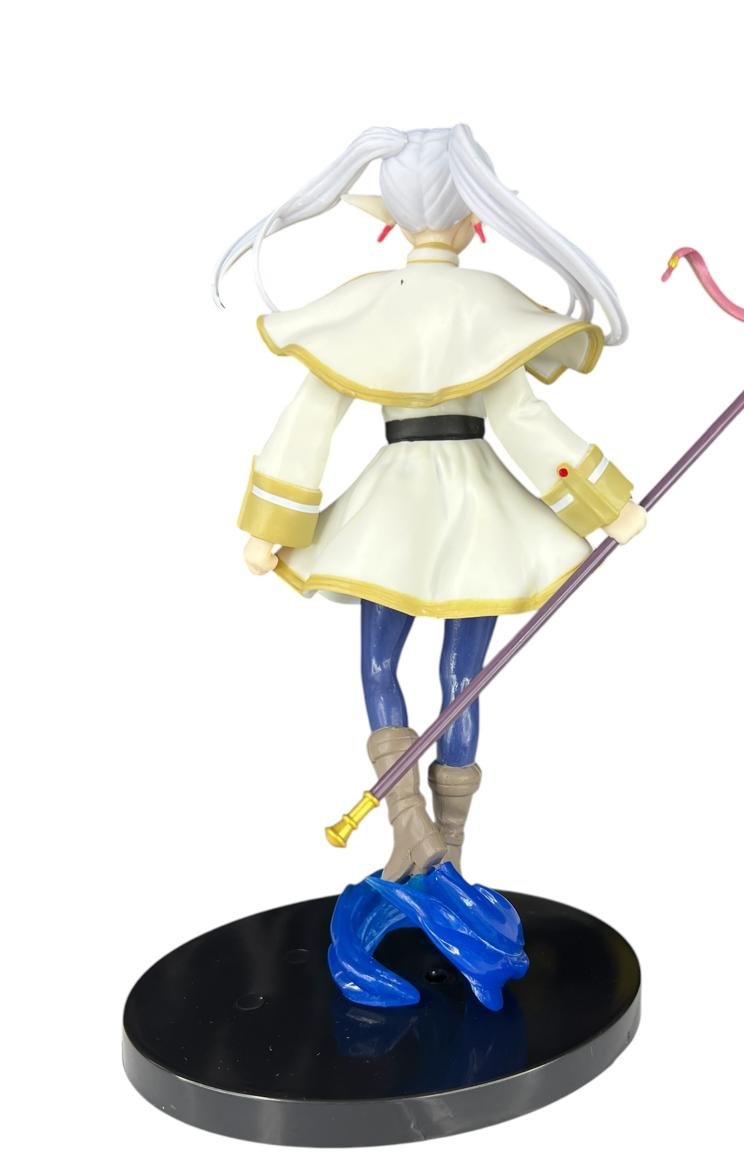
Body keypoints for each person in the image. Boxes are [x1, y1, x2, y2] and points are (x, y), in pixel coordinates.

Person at [215, 124, 645, 888]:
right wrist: (603, 504)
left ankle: (417, 830)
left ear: (390, 219)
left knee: (379, 664)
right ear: (475, 219)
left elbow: (309, 418)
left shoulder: (365, 305)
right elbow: (526, 423)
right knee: (462, 679)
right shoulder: (487, 306)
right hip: (480, 511)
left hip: (390, 509)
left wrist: (270, 525)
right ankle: (438, 838)